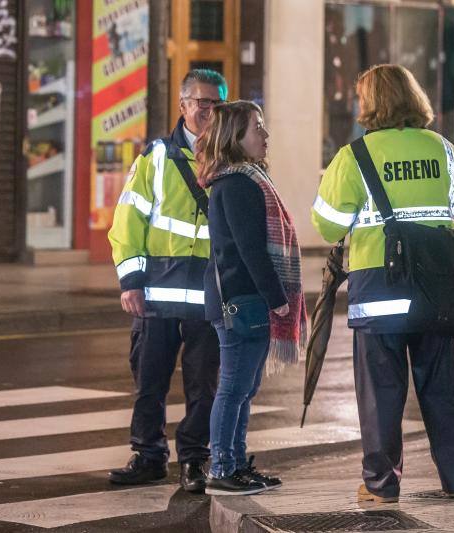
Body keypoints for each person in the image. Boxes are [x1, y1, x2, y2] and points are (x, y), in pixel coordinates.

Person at [311, 64, 454, 503]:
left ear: (369, 104)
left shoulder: (354, 157)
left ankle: (381, 485)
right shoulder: (444, 150)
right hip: (437, 287)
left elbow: (328, 225)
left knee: (381, 395)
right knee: (445, 388)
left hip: (380, 292)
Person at [107, 69, 228, 494]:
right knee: (149, 381)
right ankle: (148, 455)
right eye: (201, 102)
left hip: (210, 295)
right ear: (183, 106)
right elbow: (128, 220)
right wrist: (131, 280)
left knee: (203, 385)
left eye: (216, 103)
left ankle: (194, 460)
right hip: (156, 294)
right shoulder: (156, 158)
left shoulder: (233, 159)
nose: (209, 110)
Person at [195, 101, 307, 496]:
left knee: (243, 389)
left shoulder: (246, 180)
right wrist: (277, 298)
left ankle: (237, 464)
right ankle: (223, 467)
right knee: (234, 389)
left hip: (242, 298)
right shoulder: (238, 184)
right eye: (256, 127)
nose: (265, 134)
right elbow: (250, 250)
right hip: (241, 300)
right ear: (235, 137)